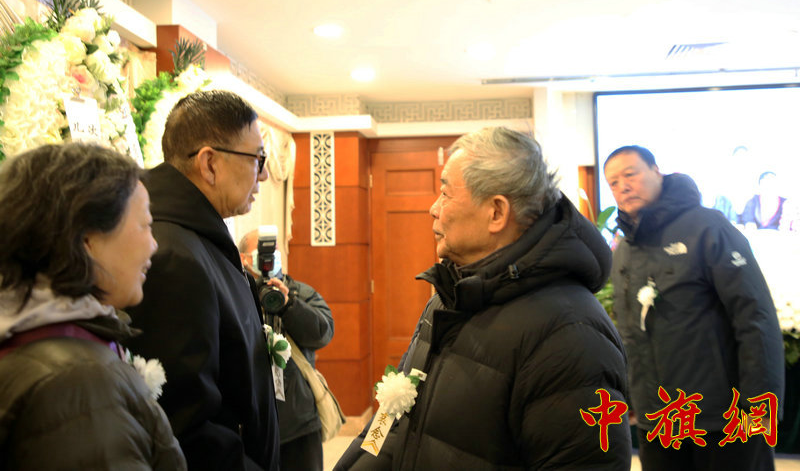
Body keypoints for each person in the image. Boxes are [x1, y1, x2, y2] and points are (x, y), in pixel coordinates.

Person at [336, 126, 631, 470]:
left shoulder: (571, 335)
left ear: (496, 213)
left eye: (445, 193)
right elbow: (391, 420)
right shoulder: (449, 298)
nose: (433, 208)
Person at [0, 142, 186, 469]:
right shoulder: (78, 382)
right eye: (145, 224)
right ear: (87, 239)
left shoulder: (28, 335)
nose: (154, 245)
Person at [603, 145, 784, 471]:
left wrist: (761, 404)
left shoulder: (707, 228)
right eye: (613, 182)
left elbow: (755, 317)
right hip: (659, 420)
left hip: (724, 417)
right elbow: (629, 332)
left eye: (630, 174)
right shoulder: (625, 250)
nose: (623, 187)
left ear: (656, 171)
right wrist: (630, 396)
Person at [126, 90, 280, 470]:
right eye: (258, 159)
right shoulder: (173, 256)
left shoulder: (199, 236)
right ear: (209, 163)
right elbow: (188, 427)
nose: (263, 174)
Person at [239, 229, 335, 471]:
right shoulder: (237, 294)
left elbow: (323, 333)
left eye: (275, 252)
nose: (270, 258)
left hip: (300, 421)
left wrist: (289, 305)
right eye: (262, 252)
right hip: (252, 422)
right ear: (243, 259)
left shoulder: (300, 292)